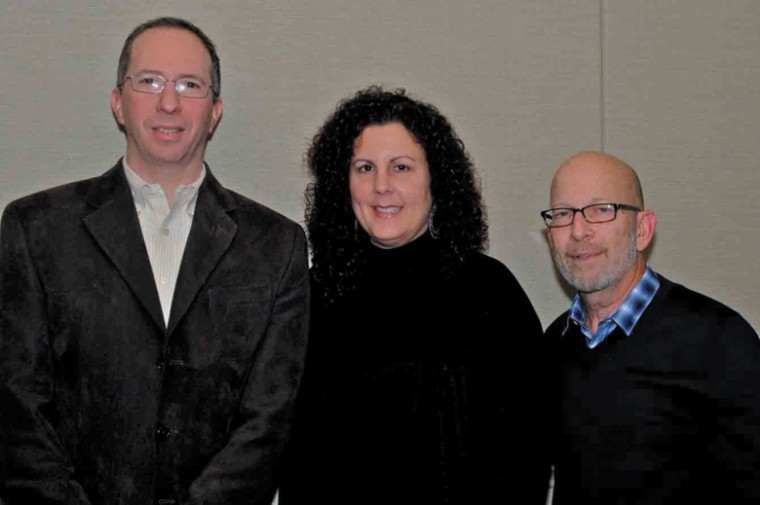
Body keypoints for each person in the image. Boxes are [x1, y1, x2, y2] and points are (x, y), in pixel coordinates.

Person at [0, 17, 309, 505]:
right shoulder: (34, 229)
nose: (169, 102)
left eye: (190, 85)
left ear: (215, 111)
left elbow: (270, 418)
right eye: (149, 82)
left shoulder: (277, 245)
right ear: (118, 103)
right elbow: (17, 404)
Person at [278, 87, 550, 504]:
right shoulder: (313, 297)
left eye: (401, 167)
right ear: (342, 183)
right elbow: (293, 451)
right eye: (364, 167)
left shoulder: (490, 291)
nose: (381, 186)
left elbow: (529, 446)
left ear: (435, 180)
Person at [541, 151, 760, 503]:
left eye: (601, 210)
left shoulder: (720, 340)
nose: (578, 230)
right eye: (563, 214)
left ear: (642, 230)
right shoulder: (554, 344)